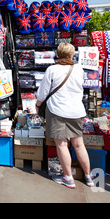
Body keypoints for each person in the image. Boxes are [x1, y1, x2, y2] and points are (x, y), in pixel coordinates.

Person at [36, 43, 93, 189]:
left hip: (57, 110)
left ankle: (68, 177)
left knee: (61, 144)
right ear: (72, 54)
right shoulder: (79, 69)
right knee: (79, 144)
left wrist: (37, 105)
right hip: (76, 110)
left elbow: (43, 92)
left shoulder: (52, 69)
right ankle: (88, 176)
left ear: (58, 54)